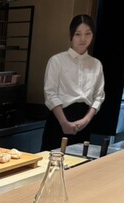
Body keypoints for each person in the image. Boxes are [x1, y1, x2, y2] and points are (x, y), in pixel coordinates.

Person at [41, 14, 105, 151]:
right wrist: (64, 122)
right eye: (78, 34)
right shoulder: (57, 61)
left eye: (87, 33)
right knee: (52, 159)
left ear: (93, 35)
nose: (83, 39)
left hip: (84, 121)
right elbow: (50, 93)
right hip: (59, 119)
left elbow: (98, 96)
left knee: (80, 161)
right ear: (71, 36)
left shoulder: (96, 64)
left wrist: (86, 120)